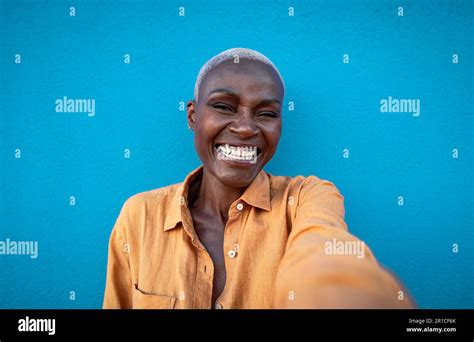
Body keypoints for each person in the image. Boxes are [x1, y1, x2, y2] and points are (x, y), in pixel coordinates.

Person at [103, 48, 415, 309]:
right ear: (192, 117)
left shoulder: (308, 197)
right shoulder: (139, 216)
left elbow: (325, 252)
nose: (245, 128)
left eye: (266, 113)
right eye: (224, 107)